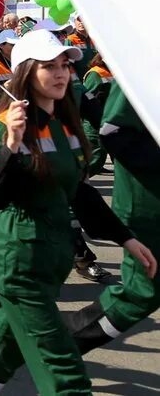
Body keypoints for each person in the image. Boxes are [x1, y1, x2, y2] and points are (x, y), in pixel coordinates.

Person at [0, 31, 156, 396]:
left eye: (64, 64)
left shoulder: (65, 126)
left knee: (0, 353)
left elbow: (79, 193)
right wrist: (11, 146)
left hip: (51, 259)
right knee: (65, 374)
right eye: (48, 66)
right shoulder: (8, 125)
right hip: (19, 260)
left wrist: (127, 240)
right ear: (26, 73)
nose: (60, 73)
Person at [66, 81, 160, 355]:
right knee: (142, 292)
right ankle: (61, 345)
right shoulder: (142, 67)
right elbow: (112, 130)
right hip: (147, 206)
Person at [81, 53, 112, 177]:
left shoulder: (111, 72)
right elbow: (87, 97)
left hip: (106, 119)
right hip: (95, 121)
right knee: (96, 155)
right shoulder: (96, 74)